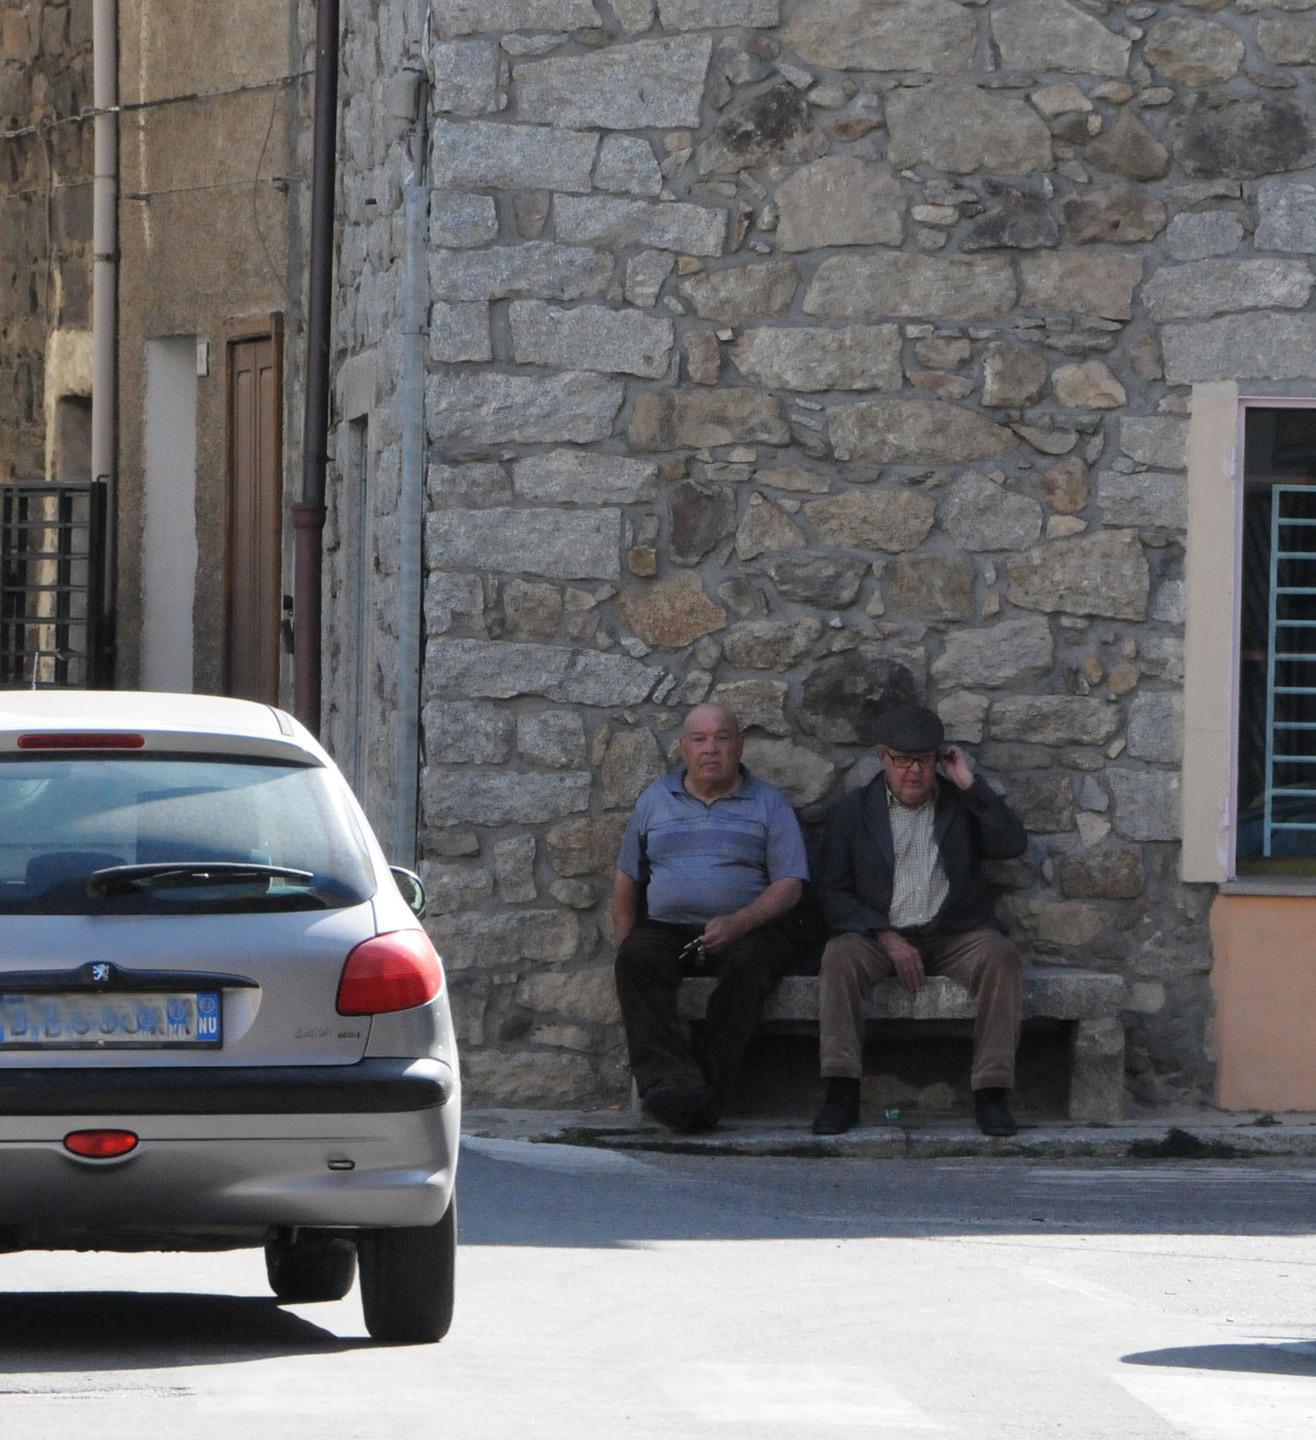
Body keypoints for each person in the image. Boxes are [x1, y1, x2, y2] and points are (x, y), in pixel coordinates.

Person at [812, 704, 1028, 1138]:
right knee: (838, 957)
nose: (914, 771)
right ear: (882, 757)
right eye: (902, 760)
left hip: (952, 932)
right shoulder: (853, 812)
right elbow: (831, 892)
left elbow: (1010, 845)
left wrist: (968, 784)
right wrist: (885, 935)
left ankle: (991, 1092)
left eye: (925, 760)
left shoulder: (958, 804)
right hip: (878, 934)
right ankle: (841, 1090)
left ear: (938, 760)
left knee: (1001, 957)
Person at [613, 703, 809, 1133]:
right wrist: (626, 940)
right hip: (669, 930)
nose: (711, 749)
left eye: (722, 738)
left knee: (750, 968)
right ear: (683, 748)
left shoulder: (768, 803)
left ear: (739, 746)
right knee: (635, 960)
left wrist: (740, 922)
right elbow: (628, 877)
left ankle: (701, 1095)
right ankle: (670, 1082)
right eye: (699, 739)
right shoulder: (655, 800)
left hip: (749, 929)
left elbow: (790, 883)